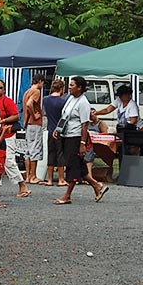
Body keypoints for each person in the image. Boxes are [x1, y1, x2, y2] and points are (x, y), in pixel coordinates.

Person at [51, 76, 108, 205]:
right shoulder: (70, 98)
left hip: (75, 137)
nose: (69, 87)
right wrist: (58, 129)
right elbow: (65, 115)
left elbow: (84, 125)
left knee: (72, 165)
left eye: (72, 85)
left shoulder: (83, 103)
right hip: (66, 134)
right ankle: (97, 186)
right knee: (78, 165)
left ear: (79, 88)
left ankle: (67, 195)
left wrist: (82, 143)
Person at [0, 78, 30, 198]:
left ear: (4, 89)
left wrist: (3, 121)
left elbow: (16, 116)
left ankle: (22, 184)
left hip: (7, 135)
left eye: (0, 88)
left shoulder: (8, 101)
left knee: (8, 161)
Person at [93, 83, 140, 177]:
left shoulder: (132, 105)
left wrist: (125, 125)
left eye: (122, 95)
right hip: (121, 132)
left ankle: (126, 173)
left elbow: (133, 120)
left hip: (132, 132)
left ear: (128, 95)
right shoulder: (119, 101)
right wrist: (96, 113)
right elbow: (107, 110)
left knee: (126, 149)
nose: (121, 98)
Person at [42, 79, 68, 186]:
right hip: (60, 131)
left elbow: (44, 114)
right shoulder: (63, 102)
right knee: (60, 154)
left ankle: (49, 180)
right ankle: (61, 179)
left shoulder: (45, 100)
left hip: (50, 129)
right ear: (62, 89)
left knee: (51, 154)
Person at [21, 75, 45, 184]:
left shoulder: (27, 91)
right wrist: (35, 115)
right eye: (42, 83)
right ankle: (33, 176)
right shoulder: (36, 91)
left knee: (28, 150)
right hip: (34, 123)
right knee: (35, 148)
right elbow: (29, 104)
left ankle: (28, 176)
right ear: (39, 81)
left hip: (27, 123)